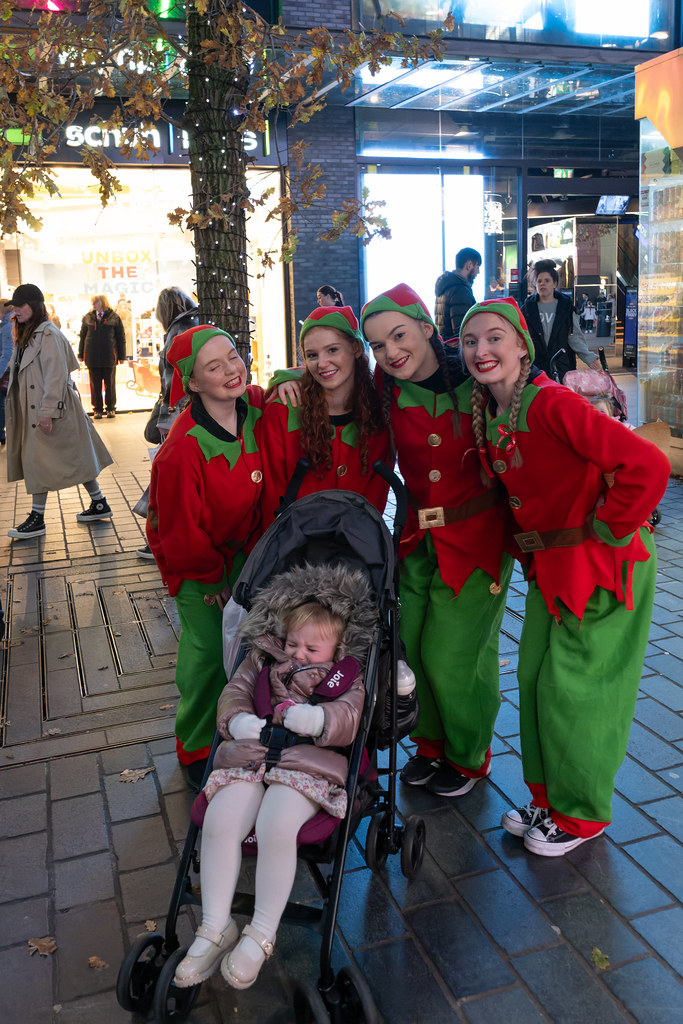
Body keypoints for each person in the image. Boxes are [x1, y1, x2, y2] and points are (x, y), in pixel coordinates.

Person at [460, 297, 670, 855]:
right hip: (553, 571)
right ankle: (549, 798)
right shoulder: (494, 410)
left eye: (493, 338)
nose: (482, 350)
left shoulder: (550, 402)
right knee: (534, 679)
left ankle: (581, 815)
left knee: (578, 692)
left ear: (522, 345)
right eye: (470, 341)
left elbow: (645, 465)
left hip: (603, 568)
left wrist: (607, 527)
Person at [173, 562, 373, 991]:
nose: (299, 653)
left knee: (276, 825)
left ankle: (262, 931)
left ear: (338, 649)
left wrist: (318, 717)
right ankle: (214, 926)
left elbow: (351, 717)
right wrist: (237, 719)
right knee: (220, 820)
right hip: (252, 754)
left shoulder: (347, 677)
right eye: (293, 642)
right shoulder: (262, 658)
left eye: (312, 649)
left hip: (307, 767)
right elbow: (235, 692)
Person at [360, 284, 513, 797]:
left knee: (454, 657)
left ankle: (468, 756)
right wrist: (290, 381)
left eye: (398, 335)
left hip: (475, 541)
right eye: (378, 345)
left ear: (426, 327)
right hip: (414, 544)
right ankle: (430, 744)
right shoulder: (382, 385)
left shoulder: (474, 378)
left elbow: (530, 407)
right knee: (415, 650)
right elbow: (327, 386)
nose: (390, 351)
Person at [146, 325, 265, 790]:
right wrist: (210, 578)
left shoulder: (251, 408)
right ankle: (195, 745)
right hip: (196, 563)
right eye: (214, 367)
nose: (231, 370)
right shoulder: (180, 451)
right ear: (193, 384)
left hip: (243, 555)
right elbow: (179, 533)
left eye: (232, 356)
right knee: (208, 652)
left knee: (245, 649)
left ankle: (237, 732)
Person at [261, 305, 391, 525]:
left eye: (332, 350)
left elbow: (376, 499)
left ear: (356, 349)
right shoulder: (282, 410)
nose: (322, 363)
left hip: (359, 547)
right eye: (312, 355)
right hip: (294, 546)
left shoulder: (378, 413)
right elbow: (272, 497)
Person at [5, 284, 114, 539]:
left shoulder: (47, 335)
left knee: (38, 460)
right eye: (14, 307)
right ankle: (99, 503)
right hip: (37, 407)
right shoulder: (29, 333)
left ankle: (38, 517)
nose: (16, 311)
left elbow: (56, 376)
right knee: (76, 456)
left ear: (34, 305)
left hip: (48, 409)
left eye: (20, 306)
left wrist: (47, 411)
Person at [136, 287, 199, 561]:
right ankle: (162, 537)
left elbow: (172, 379)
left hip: (177, 412)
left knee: (167, 478)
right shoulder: (195, 323)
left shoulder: (177, 330)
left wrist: (167, 415)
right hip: (190, 410)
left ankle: (160, 539)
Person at [521, 261, 600, 382]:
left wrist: (589, 358)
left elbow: (574, 336)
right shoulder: (527, 309)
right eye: (539, 281)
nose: (542, 284)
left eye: (547, 280)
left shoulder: (566, 307)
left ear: (555, 283)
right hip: (536, 368)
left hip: (561, 366)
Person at [78, 294, 126, 418]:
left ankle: (110, 408)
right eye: (92, 303)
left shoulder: (114, 317)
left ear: (103, 303)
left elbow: (121, 337)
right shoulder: (87, 317)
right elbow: (82, 337)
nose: (93, 305)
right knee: (95, 384)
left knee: (110, 384)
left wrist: (122, 356)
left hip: (109, 356)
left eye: (95, 302)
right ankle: (97, 409)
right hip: (92, 356)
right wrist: (80, 354)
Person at [433, 246, 482, 342]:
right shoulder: (460, 290)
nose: (478, 271)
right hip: (457, 352)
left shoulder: (446, 286)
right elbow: (463, 331)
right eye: (477, 266)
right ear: (469, 265)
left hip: (446, 349)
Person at [0, 301, 13, 446]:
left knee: (2, 404)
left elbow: (7, 353)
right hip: (7, 370)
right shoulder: (7, 323)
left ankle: (1, 434)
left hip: (6, 371)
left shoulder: (7, 324)